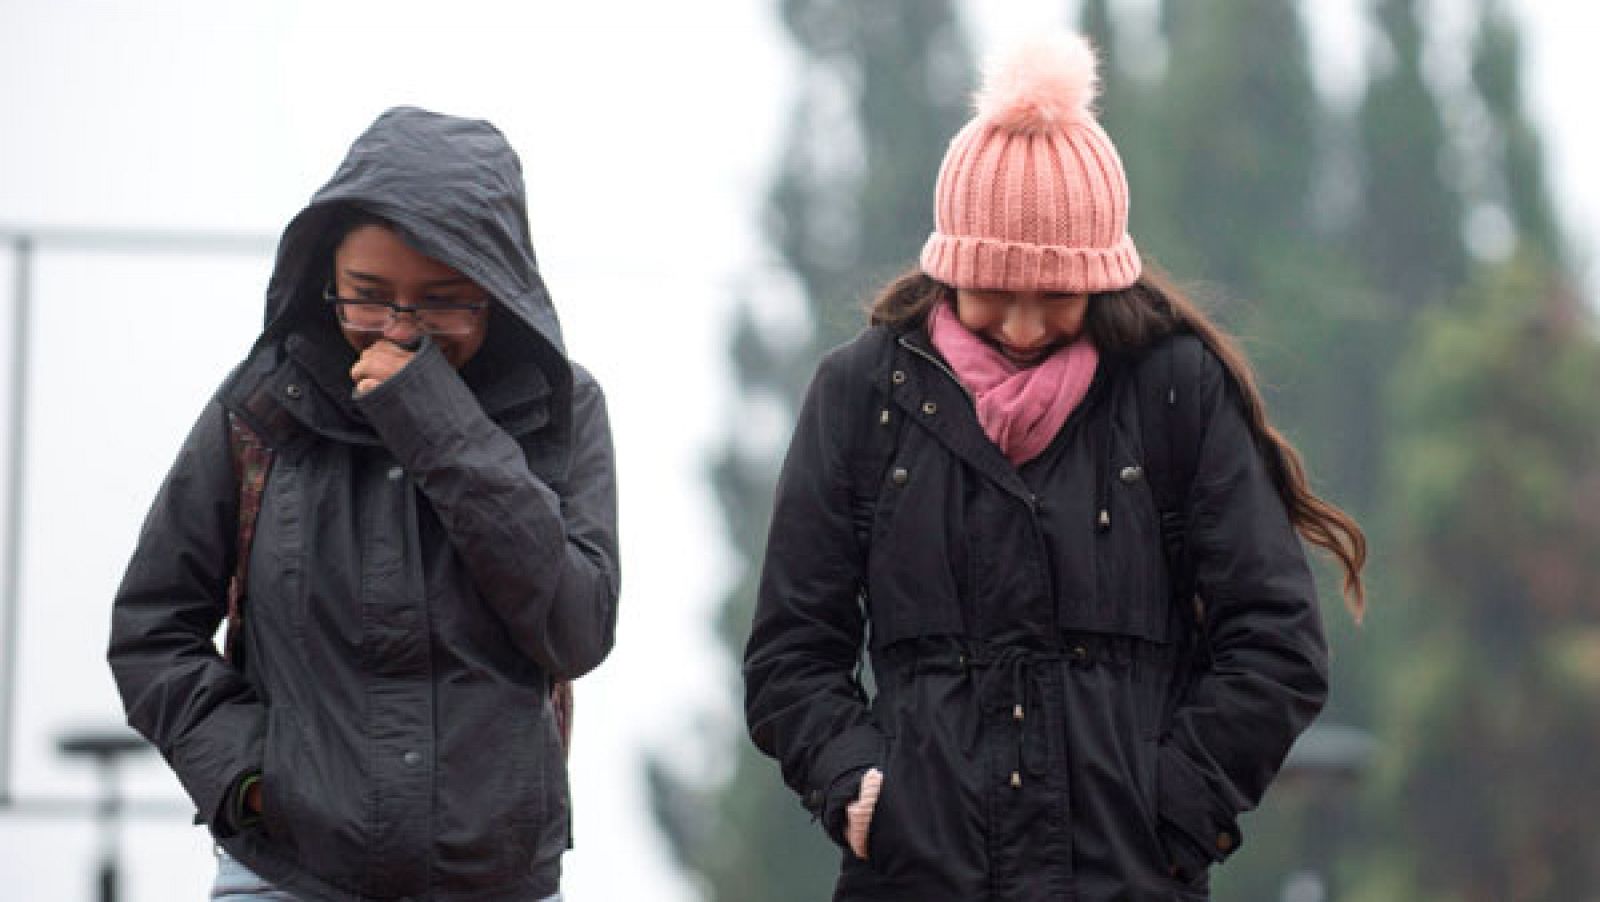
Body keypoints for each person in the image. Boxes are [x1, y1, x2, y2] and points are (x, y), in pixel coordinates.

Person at [743, 33, 1367, 901]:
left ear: (1105, 278)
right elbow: (790, 655)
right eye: (996, 289)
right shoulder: (861, 396)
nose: (1026, 326)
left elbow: (1277, 644)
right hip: (919, 880)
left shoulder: (1174, 392)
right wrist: (854, 783)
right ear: (948, 267)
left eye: (1058, 295)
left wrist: (1178, 813)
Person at [108, 107, 619, 901]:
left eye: (444, 300)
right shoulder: (260, 405)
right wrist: (250, 779)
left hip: (497, 882)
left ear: (499, 283)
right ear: (326, 281)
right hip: (287, 878)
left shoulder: (562, 407)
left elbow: (576, 627)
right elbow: (151, 629)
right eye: (368, 296)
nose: (400, 328)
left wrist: (443, 428)